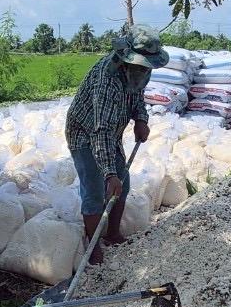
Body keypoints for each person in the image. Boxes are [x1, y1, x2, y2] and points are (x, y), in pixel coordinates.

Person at [65, 26, 167, 264]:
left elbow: (137, 95)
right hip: (85, 133)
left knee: (123, 183)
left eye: (147, 66)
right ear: (126, 58)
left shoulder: (140, 71)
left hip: (112, 131)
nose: (145, 70)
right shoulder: (106, 81)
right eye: (141, 65)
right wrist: (109, 173)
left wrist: (141, 118)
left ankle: (112, 234)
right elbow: (100, 132)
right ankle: (93, 246)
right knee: (95, 189)